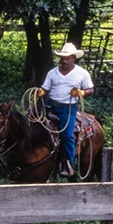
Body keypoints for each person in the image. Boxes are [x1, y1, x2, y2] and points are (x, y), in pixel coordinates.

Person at [36, 42, 94, 177]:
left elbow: (90, 89)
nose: (65, 61)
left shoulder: (82, 73)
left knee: (67, 135)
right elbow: (46, 88)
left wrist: (81, 93)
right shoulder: (52, 73)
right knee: (29, 121)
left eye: (68, 58)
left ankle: (68, 164)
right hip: (50, 105)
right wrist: (41, 91)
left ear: (74, 58)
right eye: (63, 58)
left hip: (67, 109)